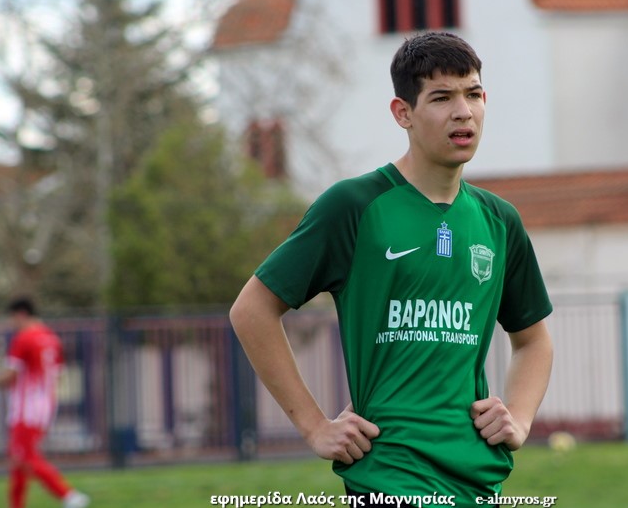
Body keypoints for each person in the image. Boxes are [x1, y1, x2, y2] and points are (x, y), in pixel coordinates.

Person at [229, 31, 553, 507]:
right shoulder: (354, 206)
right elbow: (252, 310)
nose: (463, 111)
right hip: (388, 475)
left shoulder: (499, 221)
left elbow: (534, 340)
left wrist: (518, 419)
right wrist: (315, 427)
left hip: (477, 477)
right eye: (441, 97)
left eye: (473, 94)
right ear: (403, 113)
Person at [0, 297, 90, 508]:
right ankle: (16, 505)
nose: (11, 324)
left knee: (25, 456)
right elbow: (58, 375)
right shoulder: (51, 338)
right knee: (17, 457)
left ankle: (70, 496)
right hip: (45, 405)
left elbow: (11, 375)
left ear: (21, 314)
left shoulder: (24, 338)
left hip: (26, 408)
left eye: (12, 318)